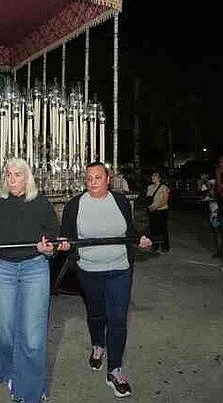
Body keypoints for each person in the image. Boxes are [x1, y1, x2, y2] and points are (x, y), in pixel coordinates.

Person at [61, 161, 152, 398]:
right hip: (89, 270)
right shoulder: (74, 205)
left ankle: (115, 369)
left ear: (108, 179)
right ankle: (98, 346)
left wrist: (141, 238)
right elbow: (66, 236)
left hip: (120, 269)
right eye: (89, 178)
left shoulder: (120, 201)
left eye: (97, 178)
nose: (92, 183)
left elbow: (131, 230)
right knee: (96, 313)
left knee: (118, 318)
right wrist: (64, 244)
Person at [0, 158, 59, 403]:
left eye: (18, 175)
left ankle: (31, 389)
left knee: (33, 337)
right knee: (5, 330)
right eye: (9, 175)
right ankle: (8, 371)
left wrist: (48, 249)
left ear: (28, 178)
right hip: (3, 269)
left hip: (35, 269)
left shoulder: (41, 203)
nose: (12, 179)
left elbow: (53, 239)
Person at [145, 170, 170, 253]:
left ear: (160, 178)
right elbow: (148, 199)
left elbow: (165, 201)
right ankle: (155, 246)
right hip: (152, 211)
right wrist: (150, 207)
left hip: (161, 210)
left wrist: (155, 207)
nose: (153, 177)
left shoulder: (164, 187)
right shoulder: (149, 187)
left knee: (162, 229)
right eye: (152, 175)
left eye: (155, 176)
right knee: (153, 229)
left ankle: (164, 247)